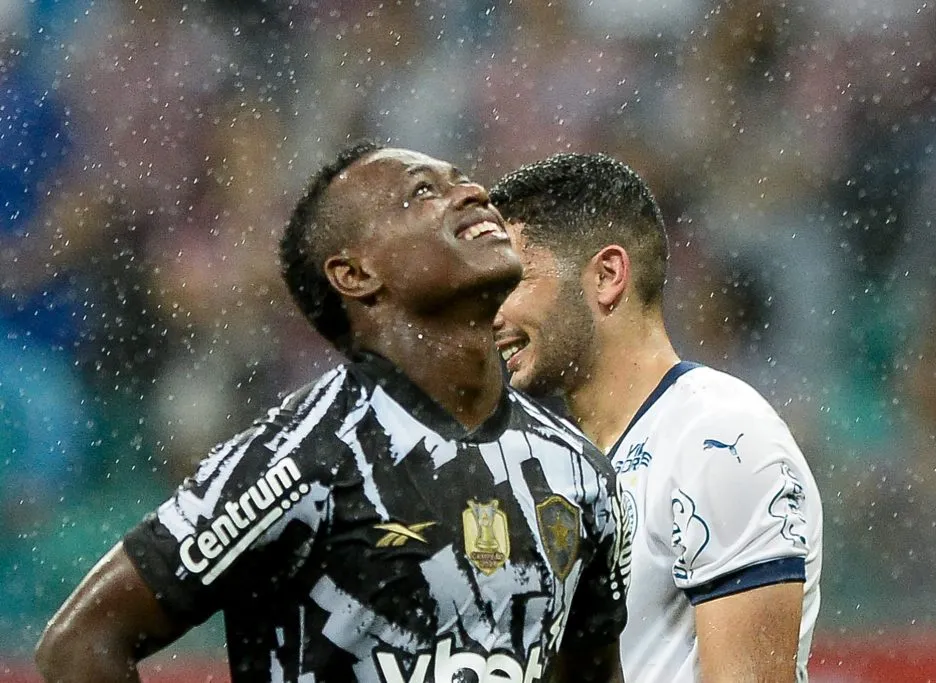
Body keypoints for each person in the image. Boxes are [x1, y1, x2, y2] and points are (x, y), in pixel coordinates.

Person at [35, 142, 629, 683]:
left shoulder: (578, 473)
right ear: (355, 274)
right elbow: (81, 642)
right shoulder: (301, 457)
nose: (472, 194)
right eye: (423, 192)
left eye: (463, 179)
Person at [491, 153, 823, 683]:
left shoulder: (719, 440)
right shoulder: (553, 463)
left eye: (514, 281)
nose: (493, 313)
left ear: (607, 275)